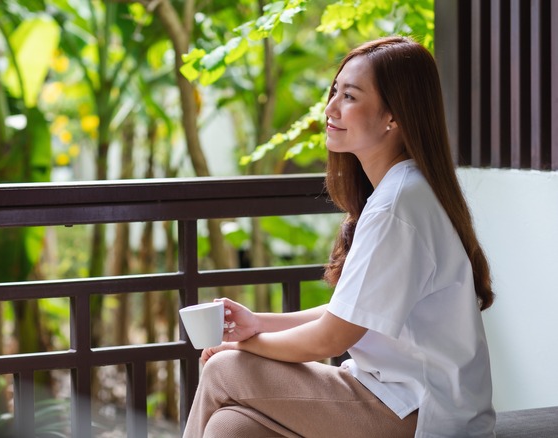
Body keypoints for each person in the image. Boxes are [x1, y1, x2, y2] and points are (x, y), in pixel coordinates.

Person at [183, 36, 496, 437]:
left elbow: (332, 337)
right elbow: (347, 314)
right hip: (394, 399)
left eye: (349, 96)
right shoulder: (403, 190)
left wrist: (243, 345)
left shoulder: (398, 205)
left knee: (225, 368)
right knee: (232, 428)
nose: (330, 108)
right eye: (334, 92)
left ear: (394, 117)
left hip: (423, 416)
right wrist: (256, 323)